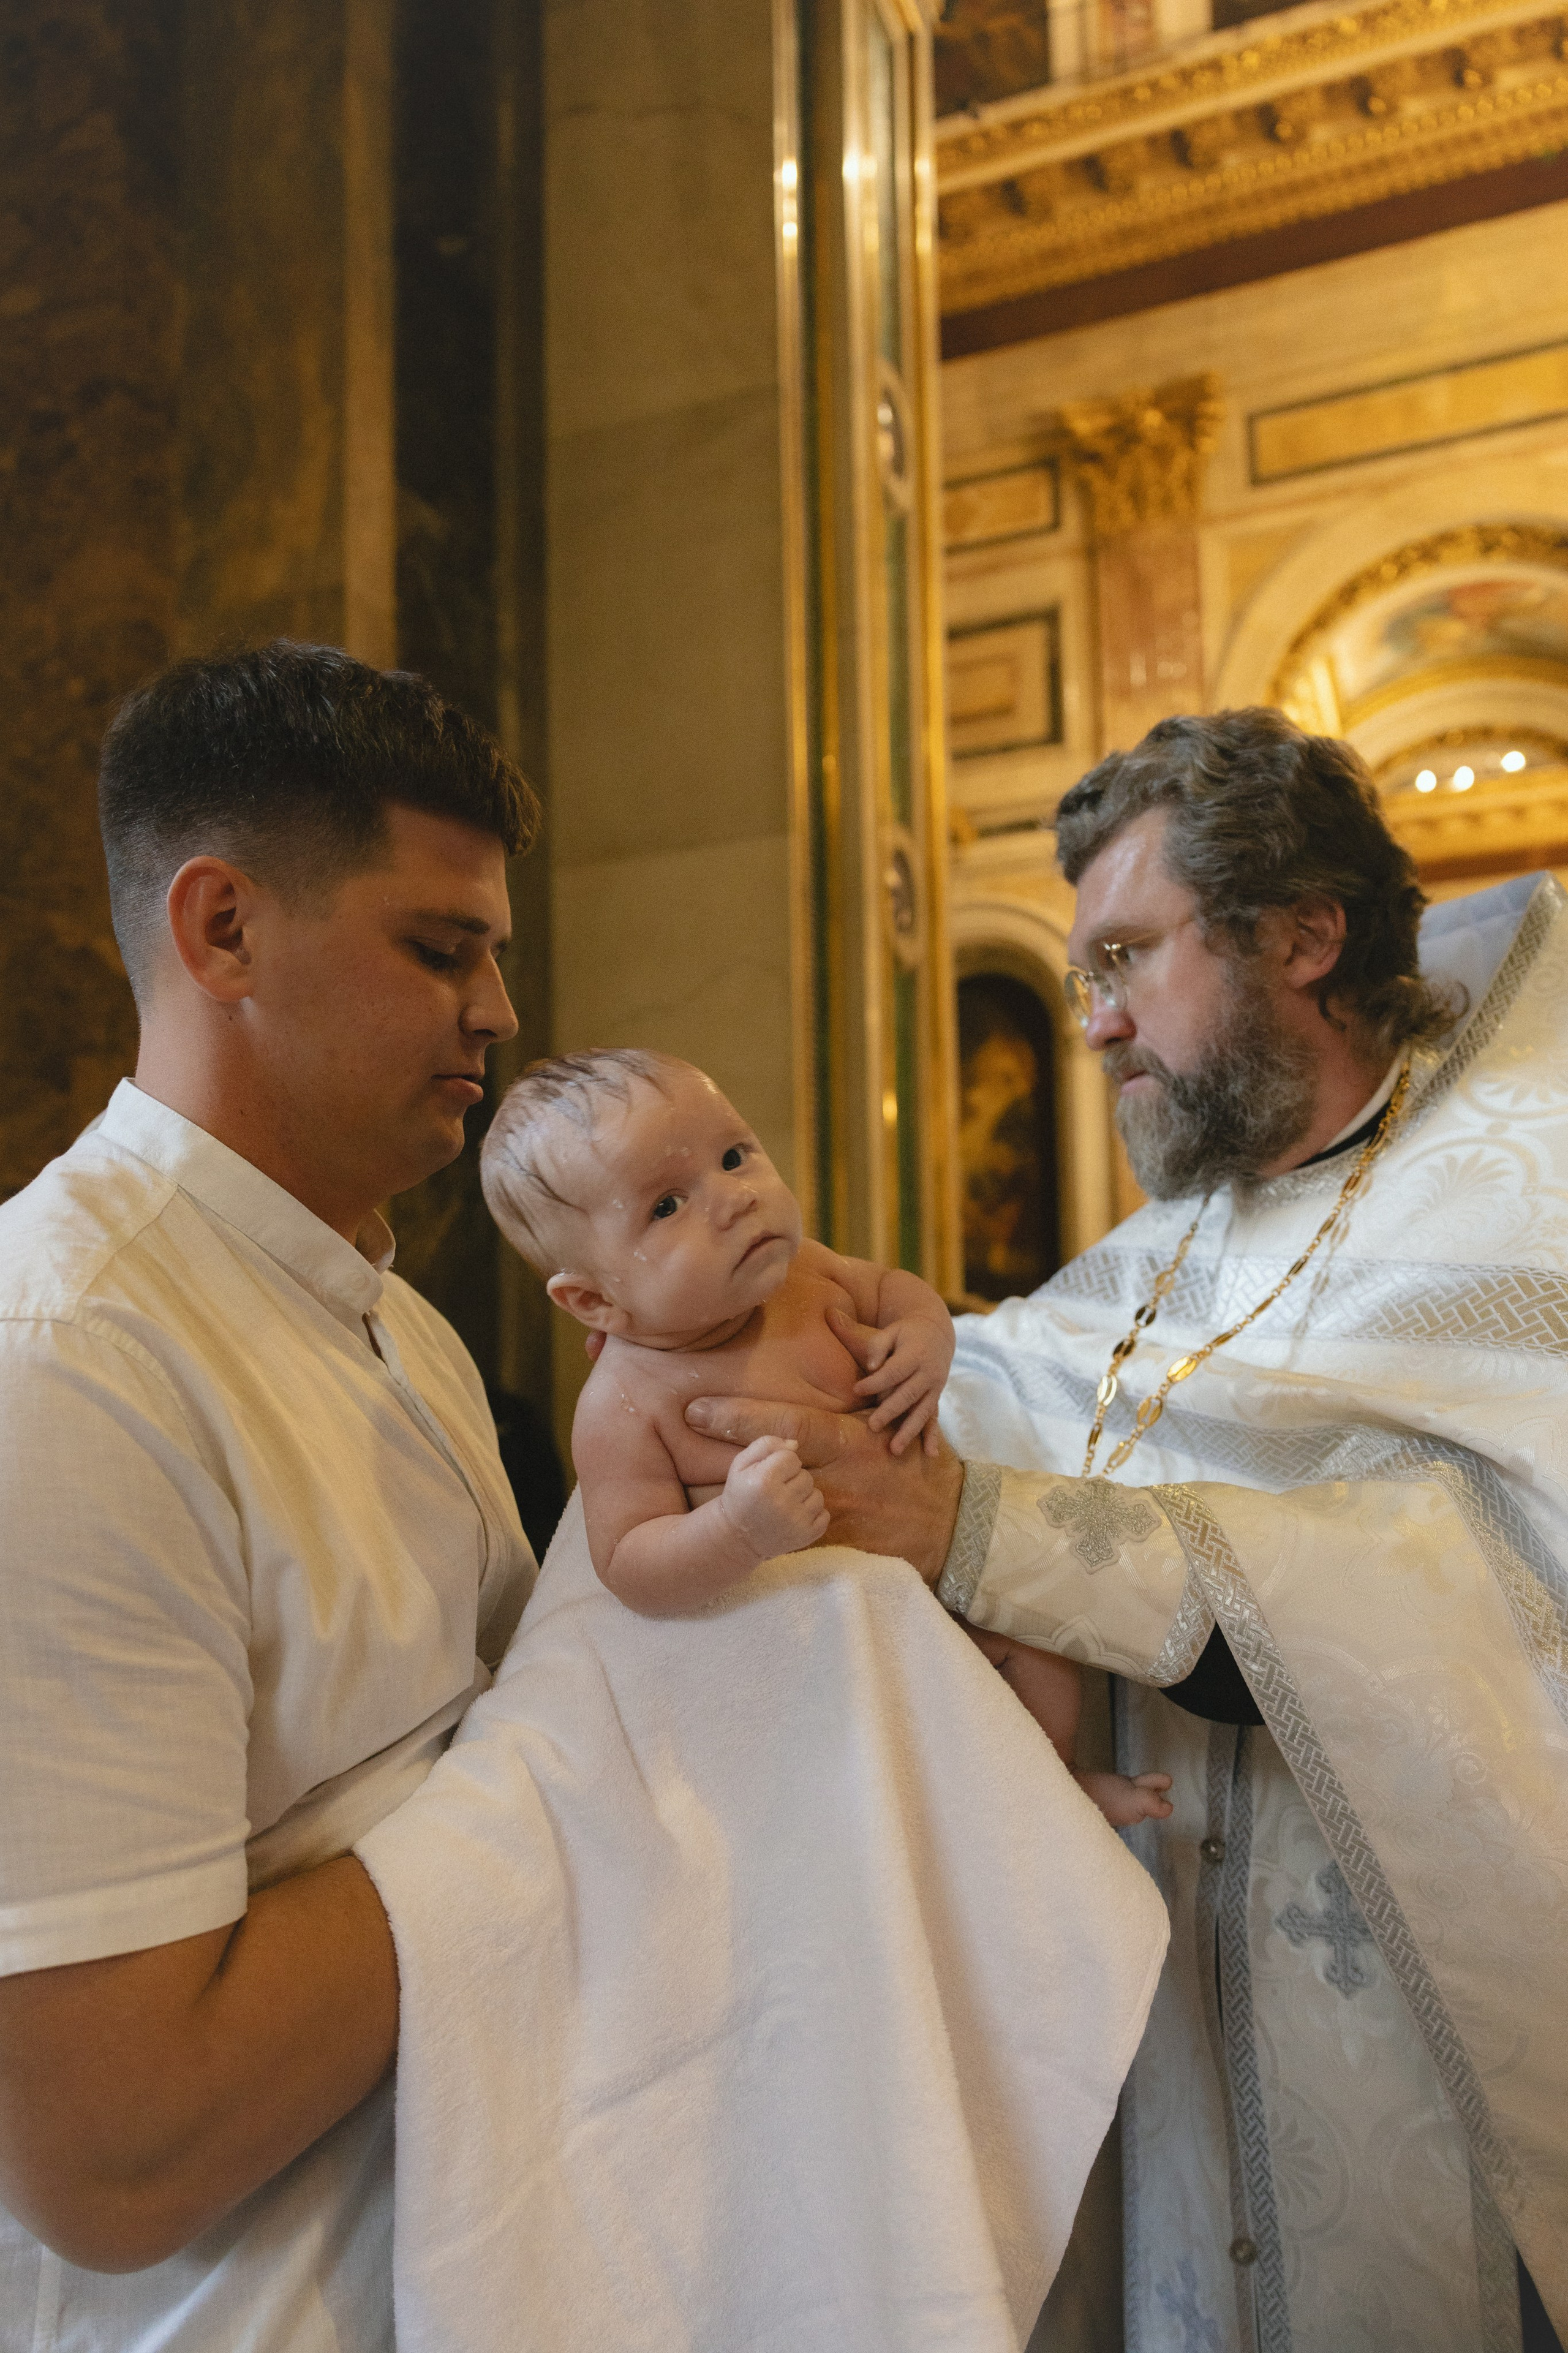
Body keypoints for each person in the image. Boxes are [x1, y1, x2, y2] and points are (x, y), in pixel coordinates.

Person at [687, 709, 1568, 2353]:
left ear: (1305, 933)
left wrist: (973, 1520)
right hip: (1162, 2020)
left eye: (1128, 959)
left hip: (1423, 2030)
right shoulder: (1180, 1242)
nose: (1089, 1024)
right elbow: (1014, 1376)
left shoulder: (1522, 1200)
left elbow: (1486, 1588)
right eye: (1084, 974)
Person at [0, 642, 538, 2352]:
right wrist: (569, 1769)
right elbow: (113, 2154)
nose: (501, 1016)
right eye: (439, 949)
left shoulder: (407, 1325)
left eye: (495, 955)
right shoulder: (63, 1359)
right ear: (221, 929)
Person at [481, 1047, 1171, 1826]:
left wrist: (923, 1336)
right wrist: (733, 1529)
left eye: (735, 1157)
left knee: (1038, 1642)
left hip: (930, 1585)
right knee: (851, 1756)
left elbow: (894, 1291)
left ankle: (1050, 1780)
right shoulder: (625, 1404)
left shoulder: (806, 1270)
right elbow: (628, 1560)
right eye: (666, 1206)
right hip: (800, 1637)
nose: (733, 1199)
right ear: (593, 1302)